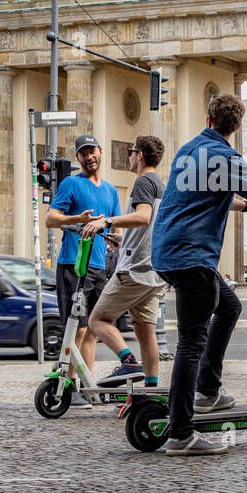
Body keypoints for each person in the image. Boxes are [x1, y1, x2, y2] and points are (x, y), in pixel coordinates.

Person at [151, 92, 247, 457]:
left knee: (230, 306)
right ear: (237, 126)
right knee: (191, 342)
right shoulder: (228, 157)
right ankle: (180, 433)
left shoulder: (188, 151)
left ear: (209, 119)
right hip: (193, 257)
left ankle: (208, 390)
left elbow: (206, 191)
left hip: (168, 252)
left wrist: (246, 208)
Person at [46, 133, 122, 408]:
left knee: (91, 329)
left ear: (101, 152)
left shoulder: (111, 191)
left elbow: (115, 228)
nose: (89, 157)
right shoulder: (71, 184)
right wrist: (77, 219)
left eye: (92, 152)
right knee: (75, 330)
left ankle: (87, 385)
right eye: (83, 153)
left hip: (100, 265)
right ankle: (69, 386)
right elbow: (50, 219)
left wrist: (116, 239)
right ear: (78, 157)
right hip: (73, 264)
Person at [85, 134, 167, 389]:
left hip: (133, 270)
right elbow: (150, 227)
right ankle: (150, 394)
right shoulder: (160, 185)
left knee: (97, 321)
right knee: (145, 331)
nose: (129, 156)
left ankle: (129, 362)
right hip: (153, 270)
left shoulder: (143, 181)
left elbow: (143, 217)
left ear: (140, 155)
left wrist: (106, 220)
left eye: (131, 152)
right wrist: (123, 240)